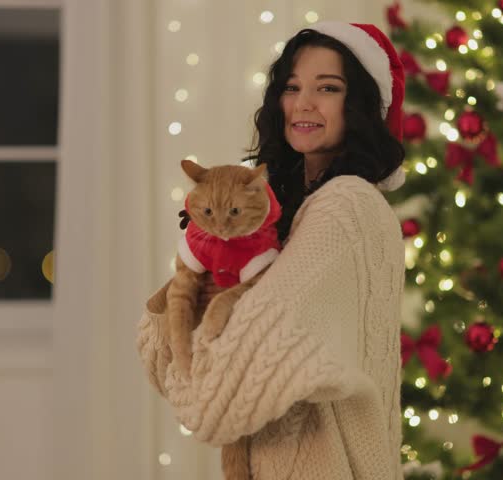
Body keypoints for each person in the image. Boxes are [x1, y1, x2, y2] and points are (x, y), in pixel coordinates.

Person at [137, 21, 407, 479]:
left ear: (359, 104)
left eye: (328, 87)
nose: (303, 103)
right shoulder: (287, 214)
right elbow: (157, 353)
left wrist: (197, 321)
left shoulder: (347, 205)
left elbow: (211, 401)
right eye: (292, 86)